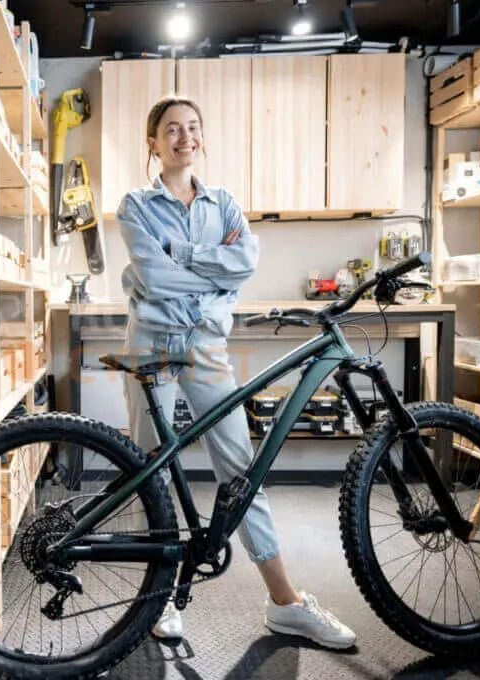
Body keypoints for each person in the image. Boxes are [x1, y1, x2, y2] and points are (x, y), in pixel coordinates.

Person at [115, 96, 356, 650]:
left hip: (203, 343)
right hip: (149, 342)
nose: (184, 137)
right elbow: (153, 278)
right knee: (149, 468)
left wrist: (180, 254)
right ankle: (160, 602)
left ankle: (286, 603)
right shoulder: (135, 204)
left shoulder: (223, 203)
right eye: (171, 129)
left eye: (193, 128)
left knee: (239, 471)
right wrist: (203, 267)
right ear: (152, 142)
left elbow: (245, 263)